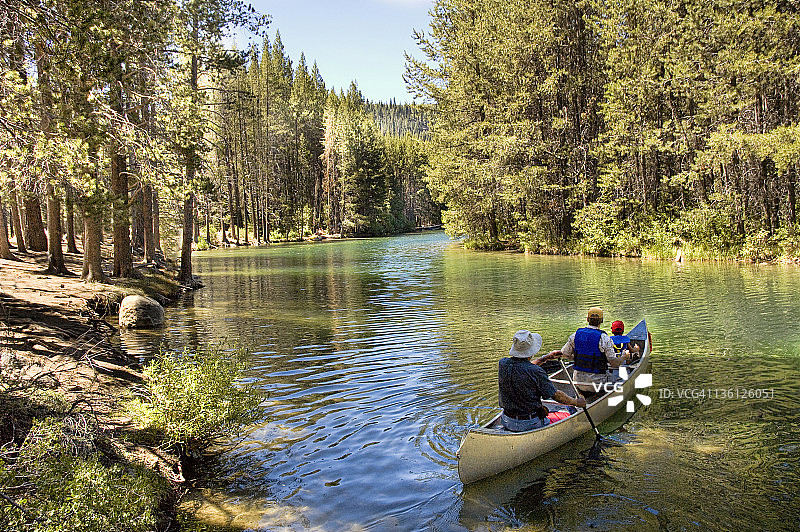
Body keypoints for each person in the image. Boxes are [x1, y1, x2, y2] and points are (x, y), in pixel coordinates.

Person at [499, 330, 587, 432]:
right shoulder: (536, 371)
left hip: (506, 420)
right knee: (568, 410)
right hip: (529, 424)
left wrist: (545, 358)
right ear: (531, 351)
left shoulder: (503, 363)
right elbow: (556, 395)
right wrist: (576, 402)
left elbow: (523, 367)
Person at [555, 307, 631, 400]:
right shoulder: (604, 338)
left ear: (587, 319)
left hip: (578, 382)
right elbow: (614, 364)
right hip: (597, 384)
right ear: (601, 321)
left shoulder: (575, 335)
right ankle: (600, 397)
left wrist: (578, 358)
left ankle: (581, 395)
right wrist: (624, 357)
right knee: (617, 378)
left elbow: (564, 354)